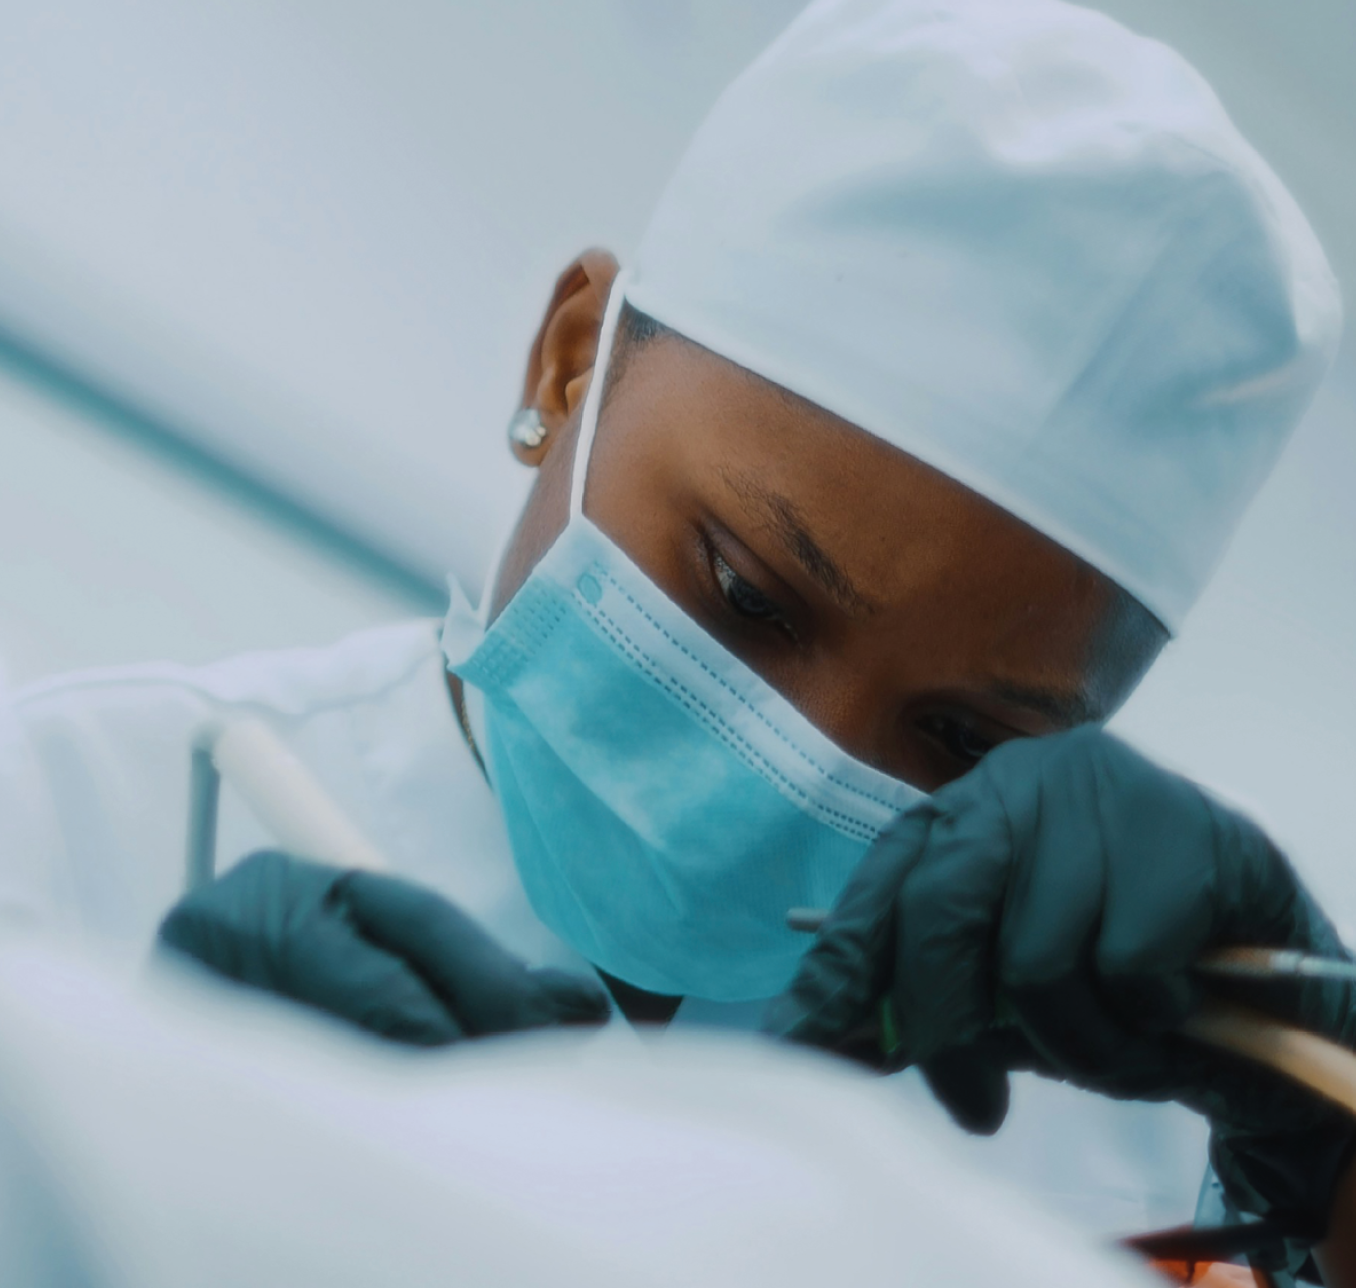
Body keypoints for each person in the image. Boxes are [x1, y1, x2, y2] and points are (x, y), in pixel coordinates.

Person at [1, 0, 1350, 1279]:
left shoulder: (1160, 1155)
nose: (797, 775)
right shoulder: (68, 832)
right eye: (747, 595)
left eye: (961, 738)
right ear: (571, 360)